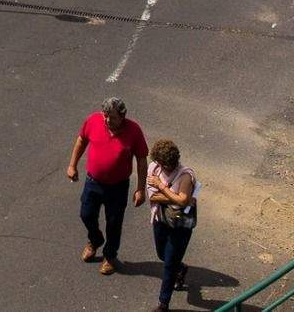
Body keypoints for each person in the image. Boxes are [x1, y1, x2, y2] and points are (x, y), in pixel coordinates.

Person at [67, 97, 148, 276]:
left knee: (114, 223)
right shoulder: (93, 121)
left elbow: (142, 160)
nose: (107, 120)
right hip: (93, 182)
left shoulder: (134, 131)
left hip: (118, 187)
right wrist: (72, 165)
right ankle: (95, 240)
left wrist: (141, 189)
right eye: (105, 116)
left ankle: (109, 256)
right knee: (86, 214)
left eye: (112, 117)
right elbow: (81, 140)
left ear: (122, 116)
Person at [146, 139, 198, 311]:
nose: (168, 167)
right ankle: (180, 268)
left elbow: (183, 201)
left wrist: (161, 186)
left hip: (180, 226)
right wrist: (175, 197)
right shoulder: (153, 168)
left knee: (168, 263)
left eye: (171, 163)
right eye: (165, 164)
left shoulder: (185, 175)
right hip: (160, 220)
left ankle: (163, 303)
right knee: (162, 254)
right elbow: (153, 197)